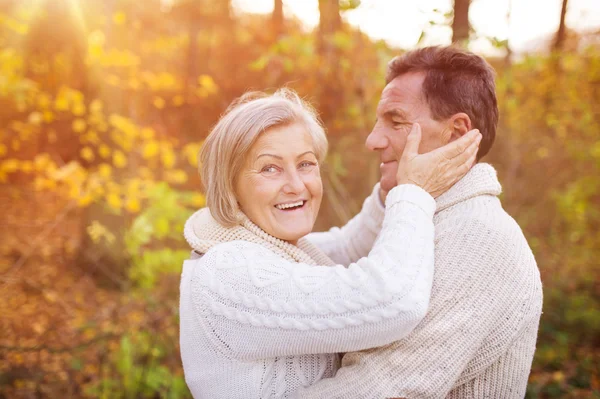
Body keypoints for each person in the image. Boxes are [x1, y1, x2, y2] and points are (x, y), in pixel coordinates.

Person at [179, 88, 481, 398]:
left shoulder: (269, 246)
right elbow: (393, 300)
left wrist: (390, 190)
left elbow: (346, 248)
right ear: (230, 186)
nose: (296, 186)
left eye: (306, 164)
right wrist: (415, 192)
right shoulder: (228, 271)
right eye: (270, 168)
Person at [299, 46, 543, 399]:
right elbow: (337, 254)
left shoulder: (479, 238)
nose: (372, 140)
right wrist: (232, 240)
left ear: (457, 132)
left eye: (395, 121)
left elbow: (377, 389)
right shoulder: (420, 214)